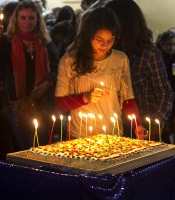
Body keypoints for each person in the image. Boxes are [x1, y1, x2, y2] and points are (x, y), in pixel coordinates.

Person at [55, 7, 147, 139]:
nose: (105, 45)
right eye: (100, 40)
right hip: (80, 136)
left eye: (110, 40)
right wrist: (85, 98)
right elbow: (60, 104)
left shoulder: (120, 59)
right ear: (89, 35)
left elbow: (128, 99)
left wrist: (137, 125)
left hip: (113, 135)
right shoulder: (69, 60)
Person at [103, 0, 174, 142]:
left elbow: (165, 92)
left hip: (147, 128)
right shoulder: (108, 53)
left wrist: (155, 123)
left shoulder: (148, 53)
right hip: (118, 127)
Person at [0, 0, 54, 151]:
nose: (27, 22)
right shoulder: (7, 40)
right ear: (16, 20)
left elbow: (57, 66)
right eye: (23, 18)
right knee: (25, 145)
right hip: (17, 102)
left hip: (42, 101)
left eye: (31, 18)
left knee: (43, 144)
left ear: (37, 20)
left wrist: (48, 82)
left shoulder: (44, 41)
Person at [156, 31, 175, 142]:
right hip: (164, 96)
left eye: (174, 45)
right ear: (162, 44)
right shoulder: (158, 58)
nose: (172, 48)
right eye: (169, 44)